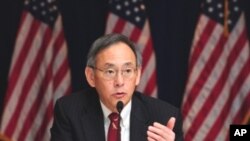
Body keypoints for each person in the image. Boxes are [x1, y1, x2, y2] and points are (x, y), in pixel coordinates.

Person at [50, 33, 183, 141]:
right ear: (91, 76)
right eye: (110, 72)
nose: (119, 82)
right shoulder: (69, 112)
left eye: (127, 71)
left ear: (137, 75)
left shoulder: (164, 117)